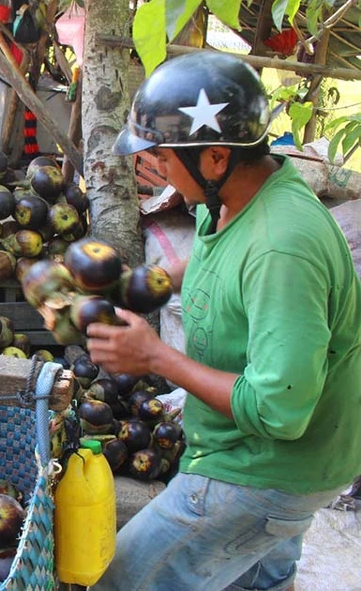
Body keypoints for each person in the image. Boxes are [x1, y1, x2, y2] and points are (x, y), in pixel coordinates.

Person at [86, 51, 361, 590]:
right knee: (255, 578)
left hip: (265, 467)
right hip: (265, 453)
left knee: (124, 580)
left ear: (214, 158)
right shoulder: (237, 194)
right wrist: (136, 286)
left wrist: (157, 356)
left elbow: (278, 410)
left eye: (163, 158)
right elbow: (212, 253)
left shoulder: (282, 249)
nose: (156, 169)